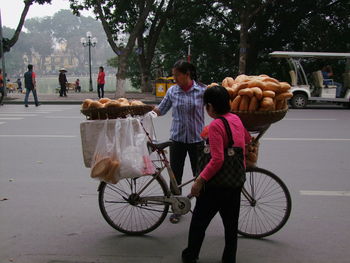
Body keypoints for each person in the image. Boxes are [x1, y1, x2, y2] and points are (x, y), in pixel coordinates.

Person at [181, 86, 251, 263]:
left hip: (215, 186)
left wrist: (199, 180)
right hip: (235, 181)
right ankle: (229, 259)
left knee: (199, 222)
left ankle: (190, 256)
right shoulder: (236, 118)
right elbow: (248, 139)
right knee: (231, 225)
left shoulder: (216, 125)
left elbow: (217, 160)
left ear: (211, 106)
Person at [153, 60, 206, 224]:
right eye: (173, 74)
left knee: (200, 175)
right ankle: (176, 208)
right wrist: (142, 112)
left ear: (187, 75)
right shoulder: (173, 92)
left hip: (197, 140)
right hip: (177, 140)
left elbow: (216, 108)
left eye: (176, 75)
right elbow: (160, 110)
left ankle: (201, 210)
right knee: (175, 176)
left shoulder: (202, 91)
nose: (174, 77)